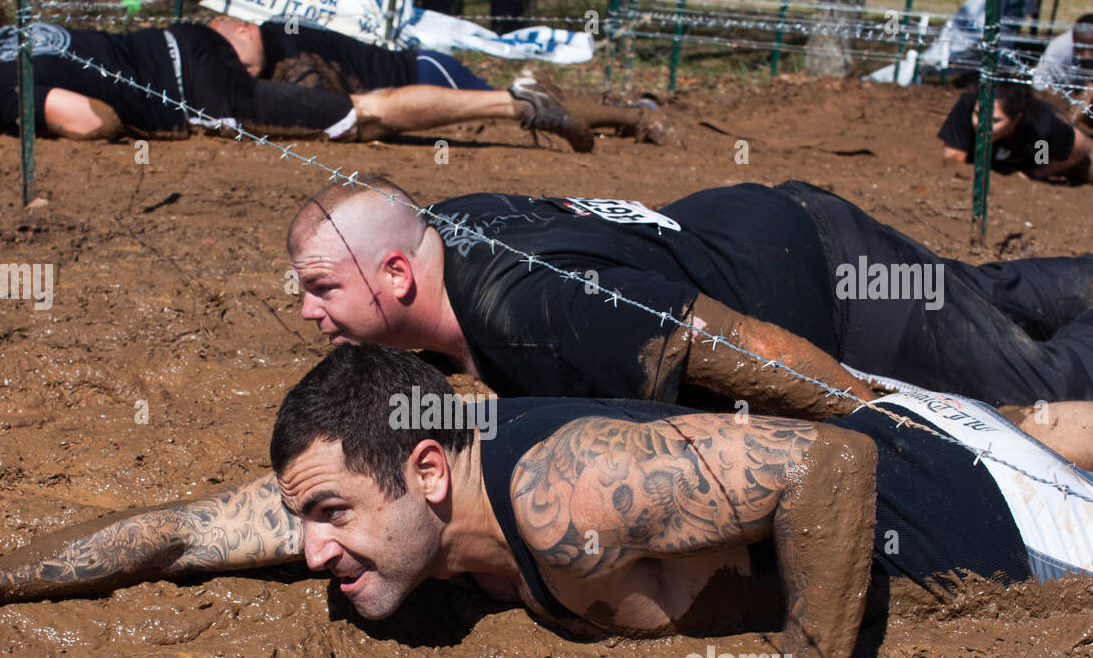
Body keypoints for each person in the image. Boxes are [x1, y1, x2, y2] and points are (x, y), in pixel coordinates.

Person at [0, 346, 1093, 658]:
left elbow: (824, 469)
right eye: (301, 516)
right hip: (948, 442)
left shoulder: (571, 491)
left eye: (325, 513)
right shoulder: (378, 493)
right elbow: (173, 530)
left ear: (427, 471)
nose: (310, 549)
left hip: (987, 516)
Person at [287, 176, 1093, 411]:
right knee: (979, 298)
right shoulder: (445, 226)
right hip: (750, 223)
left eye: (322, 288)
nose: (306, 312)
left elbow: (751, 349)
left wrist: (893, 428)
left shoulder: (531, 311)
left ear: (397, 276)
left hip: (823, 283)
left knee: (1038, 388)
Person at [0, 4, 594, 150]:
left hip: (202, 95)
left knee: (358, 115)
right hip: (185, 40)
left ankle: (513, 104)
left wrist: (97, 130)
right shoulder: (16, 28)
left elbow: (92, 119)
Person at [209, 15, 667, 144]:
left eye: (231, 54)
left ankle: (632, 115)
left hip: (423, 73)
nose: (233, 68)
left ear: (245, 29)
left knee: (521, 103)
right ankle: (627, 112)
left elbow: (318, 105)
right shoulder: (275, 43)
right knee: (518, 104)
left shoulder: (285, 42)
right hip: (408, 85)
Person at [938, 81, 1093, 182]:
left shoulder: (1041, 132)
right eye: (978, 115)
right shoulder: (967, 106)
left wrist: (1033, 175)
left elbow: (1079, 147)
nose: (982, 125)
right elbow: (953, 158)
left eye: (995, 121)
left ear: (1016, 119)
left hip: (1045, 152)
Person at [1032, 14, 1093, 135]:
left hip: (1082, 90)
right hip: (1054, 92)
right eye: (1080, 49)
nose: (1087, 55)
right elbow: (1039, 87)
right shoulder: (1058, 50)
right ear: (1073, 40)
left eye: (1092, 49)